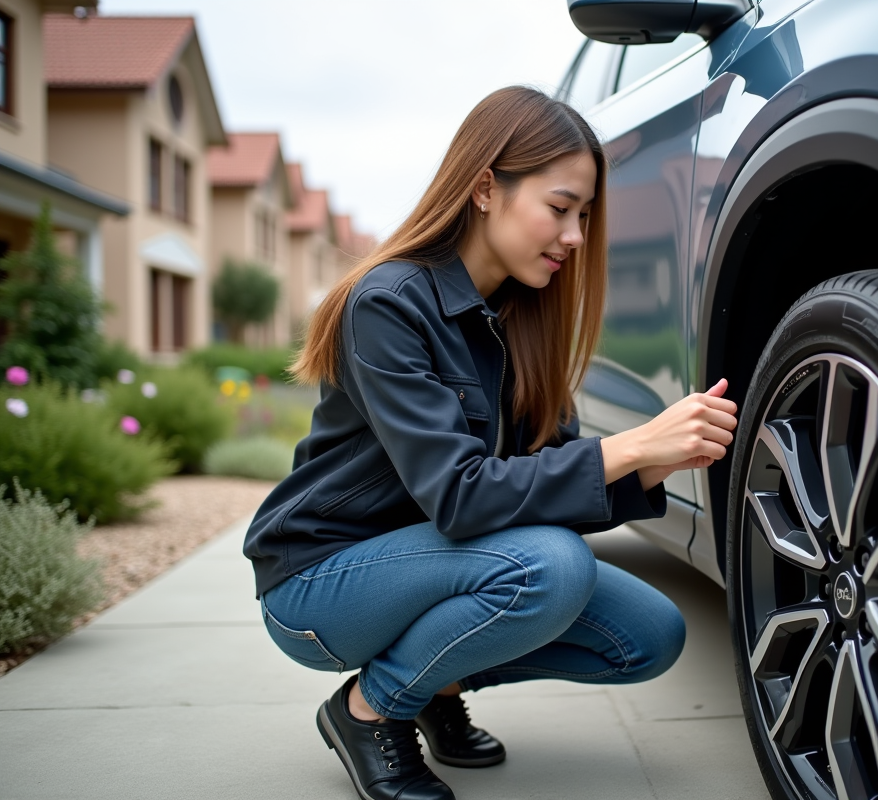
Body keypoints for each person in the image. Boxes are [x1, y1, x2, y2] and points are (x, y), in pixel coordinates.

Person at [244, 86, 739, 800]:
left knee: (651, 634)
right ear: (484, 188)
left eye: (584, 216)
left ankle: (430, 684)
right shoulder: (386, 303)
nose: (574, 235)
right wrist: (626, 447)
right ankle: (370, 710)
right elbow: (459, 496)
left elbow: (547, 486)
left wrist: (652, 462)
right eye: (560, 208)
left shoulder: (522, 316)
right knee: (552, 567)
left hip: (436, 566)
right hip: (319, 583)